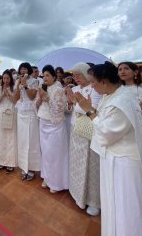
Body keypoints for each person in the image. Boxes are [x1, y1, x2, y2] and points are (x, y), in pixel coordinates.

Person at [75, 61, 142, 236]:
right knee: (112, 204)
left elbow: (106, 133)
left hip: (123, 162)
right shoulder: (110, 96)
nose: (93, 86)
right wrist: (91, 109)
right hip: (112, 158)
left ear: (104, 81)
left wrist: (89, 111)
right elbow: (103, 119)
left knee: (124, 208)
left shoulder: (123, 101)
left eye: (94, 82)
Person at [66, 62, 101, 216]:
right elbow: (75, 109)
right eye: (74, 75)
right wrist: (73, 103)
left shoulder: (95, 89)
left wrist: (75, 102)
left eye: (78, 75)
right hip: (76, 129)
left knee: (90, 165)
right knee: (77, 162)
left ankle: (92, 200)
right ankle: (75, 191)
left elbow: (93, 108)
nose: (75, 78)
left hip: (88, 131)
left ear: (87, 74)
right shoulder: (74, 89)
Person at [37, 65, 68, 193]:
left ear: (54, 77)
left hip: (55, 125)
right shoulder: (43, 88)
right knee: (46, 153)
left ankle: (56, 182)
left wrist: (47, 97)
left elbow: (60, 110)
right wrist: (40, 97)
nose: (45, 78)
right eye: (43, 75)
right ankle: (47, 177)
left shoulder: (59, 89)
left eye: (48, 75)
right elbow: (37, 105)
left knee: (55, 154)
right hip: (43, 123)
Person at [15, 62, 41, 181]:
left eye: (25, 69)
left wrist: (25, 85)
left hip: (30, 112)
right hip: (21, 112)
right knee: (22, 140)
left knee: (31, 140)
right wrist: (17, 85)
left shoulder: (34, 81)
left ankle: (31, 168)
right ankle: (23, 167)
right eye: (21, 69)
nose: (23, 71)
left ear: (29, 70)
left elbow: (31, 96)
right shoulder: (19, 80)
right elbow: (18, 97)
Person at [0, 69, 18, 173]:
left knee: (10, 138)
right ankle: (0, 161)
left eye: (7, 78)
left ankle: (10, 163)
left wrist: (8, 93)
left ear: (11, 79)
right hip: (1, 113)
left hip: (11, 113)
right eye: (4, 78)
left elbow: (15, 101)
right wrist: (3, 93)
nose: (6, 80)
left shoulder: (14, 88)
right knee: (1, 138)